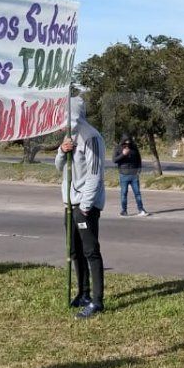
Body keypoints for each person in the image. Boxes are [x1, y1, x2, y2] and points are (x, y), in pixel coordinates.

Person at [56, 98, 106, 319]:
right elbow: (59, 167)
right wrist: (62, 150)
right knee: (74, 251)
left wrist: (86, 206)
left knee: (90, 252)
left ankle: (97, 301)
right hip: (69, 203)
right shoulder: (70, 136)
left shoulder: (91, 137)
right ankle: (83, 293)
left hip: (85, 205)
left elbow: (95, 174)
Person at [113, 135, 149, 216]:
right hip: (123, 174)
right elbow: (114, 160)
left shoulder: (134, 147)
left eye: (129, 142)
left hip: (134, 175)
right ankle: (124, 211)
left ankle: (141, 210)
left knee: (137, 193)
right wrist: (123, 154)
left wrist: (139, 169)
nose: (127, 144)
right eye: (126, 142)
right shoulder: (118, 148)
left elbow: (139, 159)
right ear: (122, 141)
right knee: (124, 193)